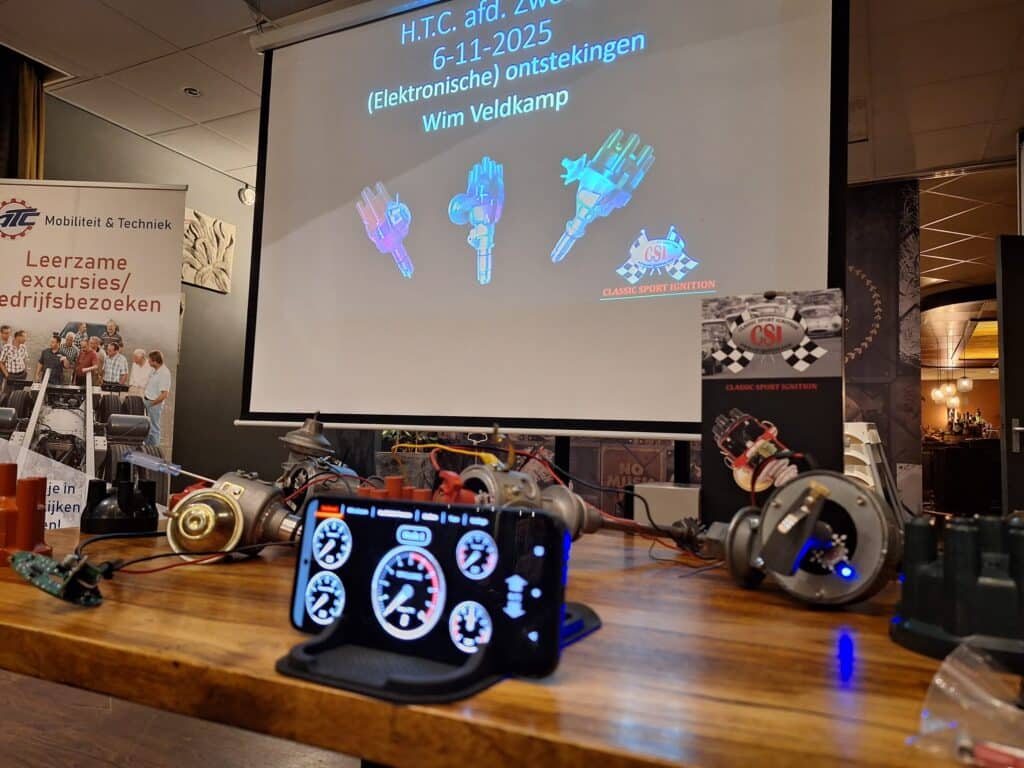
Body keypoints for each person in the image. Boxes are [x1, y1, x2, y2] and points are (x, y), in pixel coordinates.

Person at [143, 350, 171, 448]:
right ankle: (147, 446)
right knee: (147, 425)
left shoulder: (164, 373)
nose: (148, 361)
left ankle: (154, 449)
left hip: (154, 404)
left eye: (150, 360)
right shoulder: (154, 370)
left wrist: (152, 404)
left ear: (155, 361)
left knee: (154, 427)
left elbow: (164, 394)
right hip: (147, 400)